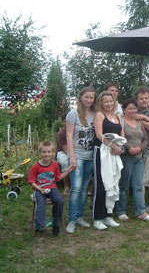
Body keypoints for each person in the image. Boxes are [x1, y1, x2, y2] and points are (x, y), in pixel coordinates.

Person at [115, 99, 149, 222]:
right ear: (124, 110)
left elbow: (145, 140)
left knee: (138, 185)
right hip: (126, 157)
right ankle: (121, 211)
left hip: (139, 158)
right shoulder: (121, 122)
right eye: (130, 108)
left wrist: (139, 148)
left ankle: (141, 211)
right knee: (124, 185)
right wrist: (129, 148)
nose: (133, 110)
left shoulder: (139, 123)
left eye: (134, 108)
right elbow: (120, 138)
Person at [93, 90, 125, 230]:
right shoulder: (100, 115)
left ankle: (108, 215)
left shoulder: (117, 116)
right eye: (106, 101)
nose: (109, 104)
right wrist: (111, 145)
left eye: (111, 101)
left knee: (113, 183)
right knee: (101, 184)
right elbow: (99, 134)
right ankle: (97, 217)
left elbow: (122, 133)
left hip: (115, 153)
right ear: (101, 103)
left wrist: (120, 147)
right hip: (102, 152)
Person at [66, 86, 96, 234]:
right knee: (76, 188)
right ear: (81, 97)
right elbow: (69, 136)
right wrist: (72, 157)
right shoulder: (73, 114)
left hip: (90, 156)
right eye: (86, 97)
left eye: (91, 97)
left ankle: (79, 216)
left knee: (84, 188)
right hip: (77, 155)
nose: (89, 100)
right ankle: (71, 219)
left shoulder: (96, 114)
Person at [28, 140, 73, 236]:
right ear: (40, 153)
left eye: (49, 152)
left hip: (51, 188)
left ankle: (56, 223)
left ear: (53, 153)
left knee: (59, 200)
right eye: (44, 152)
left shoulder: (55, 164)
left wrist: (68, 170)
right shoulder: (36, 166)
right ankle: (40, 226)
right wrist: (40, 189)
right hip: (39, 189)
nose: (46, 154)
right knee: (40, 203)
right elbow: (32, 182)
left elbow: (58, 178)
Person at [134, 86, 149, 216]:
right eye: (141, 98)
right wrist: (144, 119)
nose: (144, 100)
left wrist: (140, 120)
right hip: (132, 151)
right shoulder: (132, 110)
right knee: (133, 180)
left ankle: (142, 206)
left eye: (146, 98)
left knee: (143, 180)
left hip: (148, 151)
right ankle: (139, 206)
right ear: (137, 100)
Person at [56, 113, 70, 196]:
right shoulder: (61, 133)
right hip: (62, 152)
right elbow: (66, 150)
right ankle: (66, 185)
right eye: (65, 121)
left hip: (75, 151)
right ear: (62, 122)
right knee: (66, 162)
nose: (67, 123)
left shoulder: (75, 130)